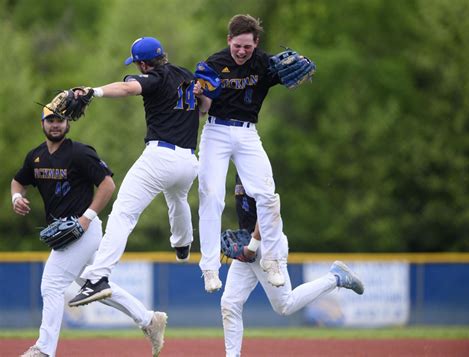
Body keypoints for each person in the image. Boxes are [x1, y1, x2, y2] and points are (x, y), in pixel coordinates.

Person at [12, 107, 167, 357]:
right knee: (93, 284)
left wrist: (87, 217)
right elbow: (18, 180)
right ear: (42, 123)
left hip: (84, 229)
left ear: (67, 123)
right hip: (65, 232)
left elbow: (107, 184)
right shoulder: (36, 157)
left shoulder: (79, 152)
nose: (55, 125)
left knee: (51, 285)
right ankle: (149, 320)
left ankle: (44, 350)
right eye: (50, 120)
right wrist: (16, 196)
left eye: (60, 120)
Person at [68, 36, 206, 307]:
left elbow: (128, 88)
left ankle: (98, 277)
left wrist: (93, 91)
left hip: (160, 156)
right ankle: (182, 244)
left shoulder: (153, 78)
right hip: (190, 161)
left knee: (123, 213)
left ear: (143, 64)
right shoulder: (186, 75)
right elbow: (202, 109)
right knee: (177, 199)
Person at [197, 14, 308, 292]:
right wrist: (200, 94)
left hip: (247, 133)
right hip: (216, 132)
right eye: (238, 45)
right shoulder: (215, 63)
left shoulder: (263, 63)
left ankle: (272, 260)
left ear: (256, 43)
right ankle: (210, 268)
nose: (242, 51)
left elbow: (289, 72)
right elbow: (203, 109)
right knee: (211, 196)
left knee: (267, 195)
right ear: (229, 40)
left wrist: (300, 64)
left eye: (248, 46)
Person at [221, 175, 365, 356]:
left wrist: (253, 246)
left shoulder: (254, 166)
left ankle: (335, 278)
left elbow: (270, 209)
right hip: (249, 246)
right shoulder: (239, 169)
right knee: (229, 303)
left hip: (267, 246)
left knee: (285, 305)